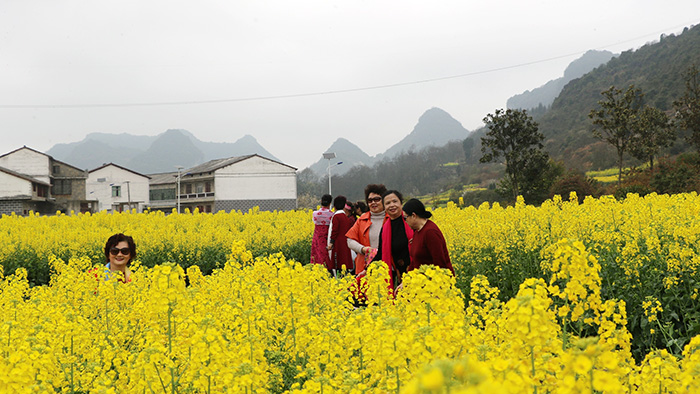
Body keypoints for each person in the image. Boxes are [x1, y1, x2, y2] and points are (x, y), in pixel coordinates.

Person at [402, 198, 455, 276]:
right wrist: (407, 279)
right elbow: (415, 260)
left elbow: (440, 263)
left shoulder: (430, 232)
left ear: (413, 216)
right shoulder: (417, 231)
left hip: (436, 282)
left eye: (405, 218)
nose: (405, 221)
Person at [346, 184, 388, 275]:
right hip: (364, 267)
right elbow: (350, 240)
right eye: (370, 200)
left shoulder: (392, 218)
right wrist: (363, 249)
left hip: (387, 266)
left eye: (377, 199)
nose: (373, 203)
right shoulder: (362, 219)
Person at [374, 190, 413, 289]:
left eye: (395, 201)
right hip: (400, 277)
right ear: (384, 207)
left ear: (401, 203)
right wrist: (366, 270)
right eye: (388, 203)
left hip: (417, 273)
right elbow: (380, 253)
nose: (392, 205)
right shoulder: (385, 228)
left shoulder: (411, 221)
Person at [327, 195, 354, 275]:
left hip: (338, 243)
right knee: (344, 263)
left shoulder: (336, 216)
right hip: (345, 243)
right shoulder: (346, 217)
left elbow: (334, 231)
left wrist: (331, 243)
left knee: (338, 263)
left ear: (334, 206)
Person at [310, 194, 333, 268]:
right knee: (326, 255)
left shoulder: (315, 214)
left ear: (321, 201)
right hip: (326, 238)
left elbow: (314, 222)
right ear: (330, 203)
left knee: (317, 255)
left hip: (317, 237)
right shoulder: (331, 215)